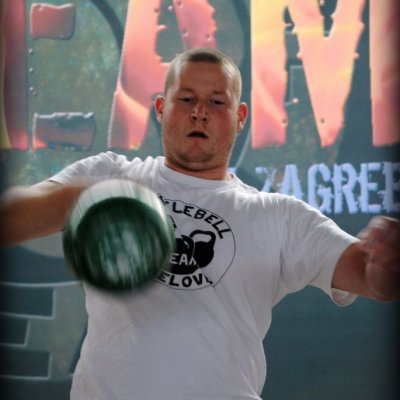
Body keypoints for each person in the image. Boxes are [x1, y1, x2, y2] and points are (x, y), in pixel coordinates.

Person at [0, 47, 399, 399]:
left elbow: (369, 276)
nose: (199, 112)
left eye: (217, 102)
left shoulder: (278, 215)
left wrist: (383, 262)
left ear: (240, 116)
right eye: (186, 98)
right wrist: (79, 199)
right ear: (161, 108)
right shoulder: (109, 174)